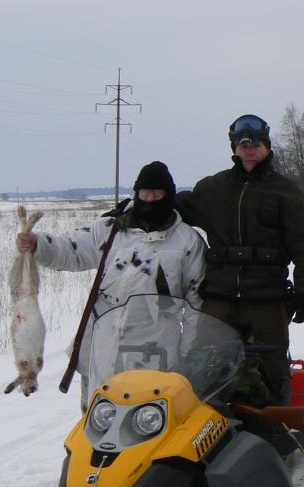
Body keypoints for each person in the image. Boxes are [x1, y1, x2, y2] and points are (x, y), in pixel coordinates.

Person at [16, 160, 205, 408]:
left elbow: (196, 306)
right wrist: (38, 244)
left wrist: (188, 357)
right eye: (143, 192)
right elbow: (71, 250)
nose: (149, 198)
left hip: (156, 351)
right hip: (104, 346)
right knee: (99, 420)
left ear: (169, 195)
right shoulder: (110, 229)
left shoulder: (187, 241)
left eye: (157, 192)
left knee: (148, 423)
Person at [176, 114, 304, 406]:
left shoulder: (286, 192)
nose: (249, 149)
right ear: (234, 149)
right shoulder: (214, 188)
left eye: (255, 143)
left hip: (267, 298)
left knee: (271, 371)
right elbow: (173, 208)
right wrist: (140, 206)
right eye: (242, 144)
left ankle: (278, 440)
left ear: (266, 145)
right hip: (219, 298)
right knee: (204, 369)